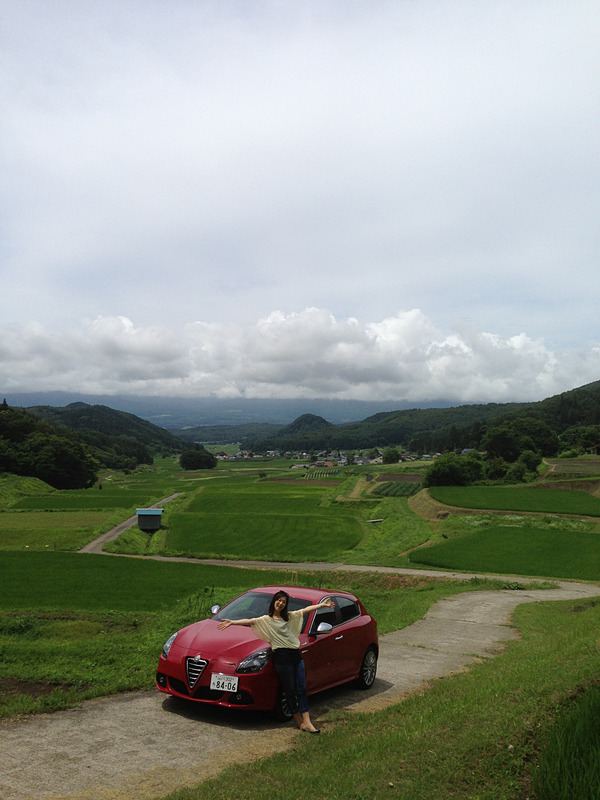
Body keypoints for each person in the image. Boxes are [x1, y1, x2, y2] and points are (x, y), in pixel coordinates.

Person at [217, 590, 335, 733]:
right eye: (279, 600)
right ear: (274, 601)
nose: (281, 603)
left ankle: (308, 722)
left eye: (284, 602)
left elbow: (305, 610)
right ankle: (299, 721)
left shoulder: (290, 617)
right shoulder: (266, 620)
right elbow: (249, 621)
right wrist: (231, 622)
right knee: (290, 691)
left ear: (286, 605)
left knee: (301, 689)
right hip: (282, 659)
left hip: (296, 656)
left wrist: (322, 606)